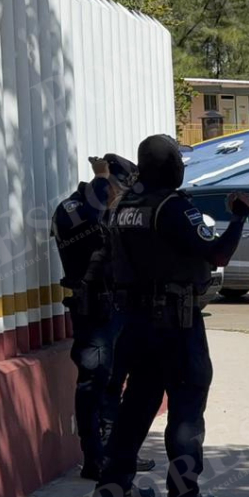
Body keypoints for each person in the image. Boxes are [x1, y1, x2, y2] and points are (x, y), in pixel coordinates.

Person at [91, 134, 249, 497]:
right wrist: (239, 216)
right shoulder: (173, 207)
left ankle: (112, 487)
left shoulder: (123, 206)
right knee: (186, 403)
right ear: (170, 166)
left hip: (134, 322)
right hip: (176, 322)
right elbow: (218, 254)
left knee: (138, 403)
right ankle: (183, 494)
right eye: (178, 159)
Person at [52, 154, 155, 480]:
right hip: (93, 312)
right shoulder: (73, 211)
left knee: (114, 385)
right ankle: (94, 458)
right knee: (93, 385)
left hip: (118, 311)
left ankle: (116, 452)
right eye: (124, 190)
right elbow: (100, 245)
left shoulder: (108, 211)